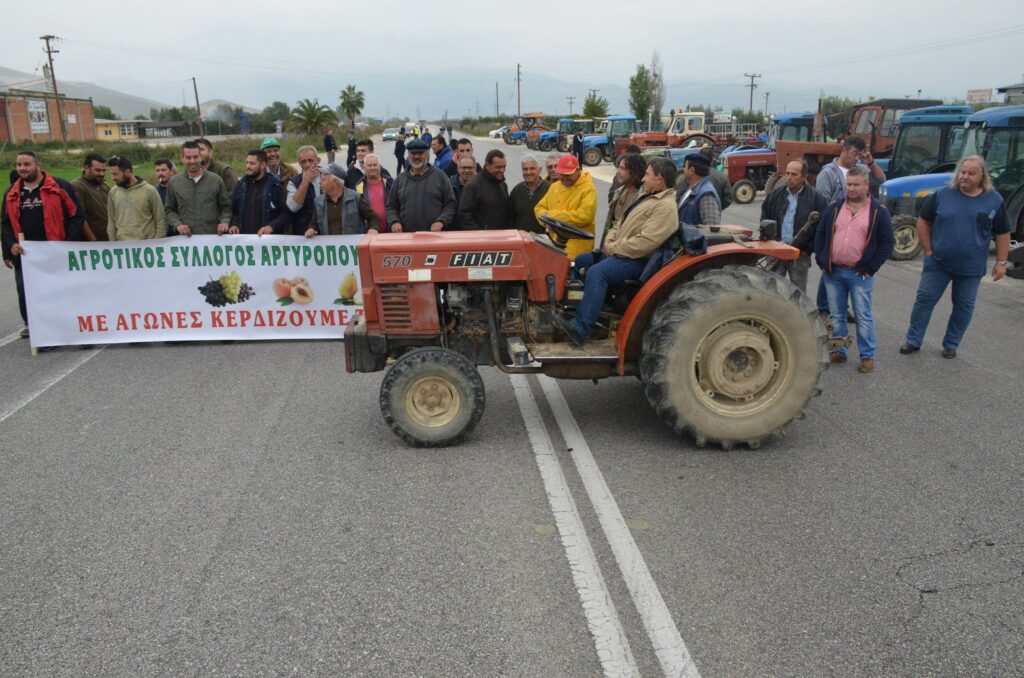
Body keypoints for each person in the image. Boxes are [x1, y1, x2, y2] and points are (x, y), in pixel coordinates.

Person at [553, 158, 679, 345]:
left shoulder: (665, 207)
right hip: (620, 251)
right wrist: (610, 238)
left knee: (597, 273)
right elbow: (619, 223)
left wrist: (612, 248)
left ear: (659, 179)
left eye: (647, 175)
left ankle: (580, 329)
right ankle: (588, 310)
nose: (643, 179)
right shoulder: (647, 197)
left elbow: (645, 243)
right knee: (581, 261)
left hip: (638, 260)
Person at [900, 156, 1011, 359]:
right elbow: (923, 221)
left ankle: (951, 344)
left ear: (982, 176)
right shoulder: (942, 195)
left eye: (971, 173)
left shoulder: (994, 200)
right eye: (962, 172)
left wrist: (1001, 262)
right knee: (924, 301)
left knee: (963, 307)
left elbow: (1003, 233)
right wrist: (928, 251)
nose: (965, 176)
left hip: (971, 267)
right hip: (938, 263)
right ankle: (913, 340)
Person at [813, 165, 894, 373]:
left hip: (860, 274)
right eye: (848, 184)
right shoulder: (834, 207)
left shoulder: (878, 212)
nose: (851, 189)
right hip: (834, 273)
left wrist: (871, 267)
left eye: (856, 185)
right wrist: (823, 261)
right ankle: (839, 351)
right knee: (837, 315)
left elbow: (887, 243)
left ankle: (867, 356)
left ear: (866, 185)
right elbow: (820, 234)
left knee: (863, 316)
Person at [1, 150, 84, 338]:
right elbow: (5, 222)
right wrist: (9, 246)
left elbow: (76, 215)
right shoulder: (11, 193)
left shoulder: (60, 186)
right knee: (26, 290)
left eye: (26, 164)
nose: (22, 168)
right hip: (26, 254)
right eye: (19, 165)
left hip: (56, 251)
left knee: (60, 288)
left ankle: (68, 323)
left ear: (38, 166)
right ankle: (32, 324)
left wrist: (68, 244)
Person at [814, 136, 887, 319]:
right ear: (845, 150)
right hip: (836, 227)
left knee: (847, 276)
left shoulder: (861, 170)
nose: (857, 157)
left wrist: (870, 163)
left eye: (860, 154)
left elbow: (881, 179)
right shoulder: (828, 173)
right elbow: (822, 204)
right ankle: (824, 310)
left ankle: (840, 309)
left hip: (857, 226)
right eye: (855, 153)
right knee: (830, 271)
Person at [759, 159, 827, 292]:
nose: (789, 178)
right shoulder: (775, 195)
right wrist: (768, 241)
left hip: (800, 255)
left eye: (794, 174)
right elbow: (764, 218)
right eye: (787, 173)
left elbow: (821, 228)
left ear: (803, 176)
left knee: (798, 293)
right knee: (772, 292)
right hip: (776, 251)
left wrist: (809, 249)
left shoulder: (816, 198)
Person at [533, 154, 597, 260]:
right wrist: (544, 219)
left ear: (578, 170)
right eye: (562, 174)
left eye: (568, 174)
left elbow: (585, 216)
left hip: (577, 250)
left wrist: (551, 216)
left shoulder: (588, 189)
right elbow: (539, 207)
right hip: (554, 244)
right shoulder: (554, 186)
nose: (564, 178)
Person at [386, 138, 456, 232]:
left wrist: (441, 221)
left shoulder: (440, 176)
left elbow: (450, 203)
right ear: (408, 155)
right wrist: (394, 222)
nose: (417, 156)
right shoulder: (399, 179)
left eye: (420, 153)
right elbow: (391, 206)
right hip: (407, 239)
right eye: (413, 153)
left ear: (427, 154)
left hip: (435, 239)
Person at [165, 140, 232, 236]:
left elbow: (226, 206)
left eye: (195, 157)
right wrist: (178, 225)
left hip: (212, 237)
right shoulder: (174, 182)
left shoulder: (216, 180)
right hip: (186, 240)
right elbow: (169, 209)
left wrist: (225, 221)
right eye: (188, 157)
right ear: (182, 158)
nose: (192, 161)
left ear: (200, 157)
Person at [229, 149, 290, 235]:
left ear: (263, 165)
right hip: (244, 242)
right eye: (247, 162)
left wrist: (271, 227)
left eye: (252, 163)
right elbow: (235, 211)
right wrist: (234, 225)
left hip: (267, 242)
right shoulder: (241, 185)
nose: (248, 166)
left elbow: (286, 213)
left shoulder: (276, 186)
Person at [106, 155, 166, 241]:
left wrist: (157, 244)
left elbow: (161, 221)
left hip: (147, 246)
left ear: (127, 172)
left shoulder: (149, 191)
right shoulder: (113, 192)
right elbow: (111, 220)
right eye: (111, 174)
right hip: (122, 247)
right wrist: (113, 242)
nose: (113, 178)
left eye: (115, 174)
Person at [309, 172, 380, 236]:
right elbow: (314, 223)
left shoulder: (355, 198)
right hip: (330, 248)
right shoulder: (318, 201)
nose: (320, 183)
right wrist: (311, 230)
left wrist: (373, 229)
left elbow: (373, 217)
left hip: (353, 247)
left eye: (323, 180)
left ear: (335, 181)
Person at [458, 149, 511, 230]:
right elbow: (465, 216)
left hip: (501, 238)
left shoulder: (503, 185)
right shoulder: (472, 186)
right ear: (487, 165)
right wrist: (480, 234)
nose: (502, 170)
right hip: (483, 240)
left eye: (504, 167)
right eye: (498, 167)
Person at [603, 153, 646, 248]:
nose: (618, 172)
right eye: (618, 167)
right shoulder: (618, 192)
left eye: (622, 168)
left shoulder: (644, 198)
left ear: (634, 173)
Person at [71, 152, 110, 241]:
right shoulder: (77, 186)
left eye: (104, 170)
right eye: (98, 170)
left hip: (109, 242)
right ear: (86, 168)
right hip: (92, 245)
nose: (102, 174)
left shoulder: (104, 186)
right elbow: (80, 218)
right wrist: (93, 241)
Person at [286, 145, 322, 235]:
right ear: (299, 164)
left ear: (318, 160)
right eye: (303, 162)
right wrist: (305, 181)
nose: (307, 165)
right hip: (304, 234)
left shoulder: (328, 176)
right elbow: (293, 207)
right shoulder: (293, 182)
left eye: (310, 160)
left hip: (327, 233)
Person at [676, 154, 721, 226]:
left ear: (691, 170)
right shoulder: (692, 189)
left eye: (685, 166)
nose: (683, 169)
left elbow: (712, 229)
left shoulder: (706, 195)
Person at [509, 155, 550, 233]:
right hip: (522, 241)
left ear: (540, 170)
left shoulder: (550, 189)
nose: (528, 172)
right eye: (525, 169)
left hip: (544, 241)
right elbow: (510, 218)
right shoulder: (516, 190)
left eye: (532, 168)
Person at [353, 153, 392, 229]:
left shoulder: (390, 183)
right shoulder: (358, 187)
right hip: (369, 231)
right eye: (369, 165)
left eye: (375, 165)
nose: (372, 167)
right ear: (364, 168)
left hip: (390, 229)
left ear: (380, 167)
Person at [701, 146, 733, 210]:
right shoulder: (722, 176)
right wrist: (717, 207)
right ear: (712, 158)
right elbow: (728, 198)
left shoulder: (692, 175)